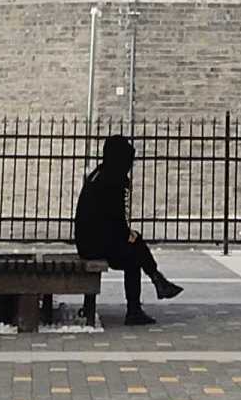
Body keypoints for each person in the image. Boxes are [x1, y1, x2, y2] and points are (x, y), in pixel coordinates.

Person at [73, 135, 184, 326]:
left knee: (135, 244)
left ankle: (157, 282)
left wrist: (127, 235)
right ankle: (138, 305)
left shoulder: (99, 174)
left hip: (89, 241)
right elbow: (114, 217)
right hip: (96, 244)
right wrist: (126, 235)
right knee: (133, 257)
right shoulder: (113, 180)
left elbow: (107, 218)